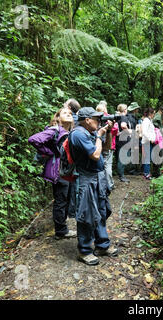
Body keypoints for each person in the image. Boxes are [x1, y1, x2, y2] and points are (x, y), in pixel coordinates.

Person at [69, 107, 117, 266]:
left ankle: (102, 245)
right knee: (87, 214)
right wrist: (99, 134)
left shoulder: (90, 133)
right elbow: (95, 155)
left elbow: (106, 148)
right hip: (86, 178)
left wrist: (108, 132)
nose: (99, 121)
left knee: (102, 211)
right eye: (96, 118)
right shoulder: (78, 134)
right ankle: (84, 251)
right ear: (87, 120)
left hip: (98, 177)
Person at [28, 107, 76, 240]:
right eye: (65, 113)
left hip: (68, 170)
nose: (69, 115)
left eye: (70, 113)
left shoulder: (70, 131)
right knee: (61, 200)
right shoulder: (54, 130)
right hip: (59, 170)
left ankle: (62, 227)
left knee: (66, 199)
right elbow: (34, 139)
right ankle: (61, 231)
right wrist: (50, 152)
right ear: (58, 118)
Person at [96, 100, 115, 190]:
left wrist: (109, 129)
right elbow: (116, 131)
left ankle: (106, 185)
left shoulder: (107, 120)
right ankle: (108, 185)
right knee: (107, 166)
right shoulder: (95, 123)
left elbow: (113, 131)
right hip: (98, 147)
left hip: (106, 145)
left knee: (106, 166)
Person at [115, 103, 132, 183]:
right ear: (125, 110)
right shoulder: (123, 117)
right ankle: (121, 176)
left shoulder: (117, 116)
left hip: (118, 140)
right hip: (124, 140)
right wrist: (129, 131)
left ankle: (120, 174)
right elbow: (123, 126)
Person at [141, 108, 156, 180]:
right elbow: (144, 132)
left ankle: (146, 172)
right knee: (147, 158)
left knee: (148, 157)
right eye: (154, 113)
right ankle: (146, 173)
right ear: (150, 114)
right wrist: (150, 139)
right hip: (147, 142)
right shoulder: (146, 121)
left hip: (149, 142)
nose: (154, 115)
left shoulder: (150, 120)